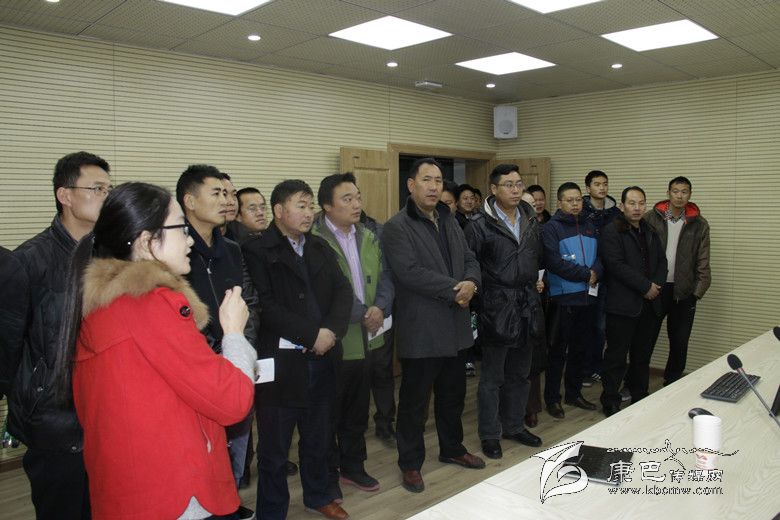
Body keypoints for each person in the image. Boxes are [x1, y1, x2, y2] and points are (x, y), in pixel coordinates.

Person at [58, 182, 257, 519]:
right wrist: (234, 333)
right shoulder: (151, 305)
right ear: (146, 242)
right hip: (173, 491)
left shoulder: (105, 302)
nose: (190, 240)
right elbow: (231, 400)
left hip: (129, 489)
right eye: (181, 228)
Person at [6, 151, 111, 520]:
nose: (106, 197)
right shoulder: (28, 261)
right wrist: (30, 403)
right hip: (55, 421)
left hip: (106, 412)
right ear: (64, 195)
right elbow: (8, 350)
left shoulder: (112, 257)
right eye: (96, 189)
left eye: (109, 189)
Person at [242, 180, 352, 520]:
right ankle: (272, 511)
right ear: (278, 210)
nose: (308, 213)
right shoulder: (256, 250)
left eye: (309, 206)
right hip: (280, 364)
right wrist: (311, 335)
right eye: (300, 206)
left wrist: (330, 332)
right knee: (274, 447)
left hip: (322, 357)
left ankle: (318, 495)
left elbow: (343, 292)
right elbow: (265, 306)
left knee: (318, 437)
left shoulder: (319, 246)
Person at [383, 157, 485, 494]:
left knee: (453, 396)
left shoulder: (449, 219)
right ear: (411, 185)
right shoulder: (397, 226)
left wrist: (471, 282)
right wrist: (457, 289)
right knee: (414, 402)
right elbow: (409, 272)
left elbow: (469, 258)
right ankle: (410, 463)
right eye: (426, 180)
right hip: (422, 329)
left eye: (438, 180)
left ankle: (452, 448)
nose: (433, 186)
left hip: (455, 326)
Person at [176, 165, 259, 520]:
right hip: (197, 371)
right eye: (217, 193)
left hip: (234, 361)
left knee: (235, 454)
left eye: (228, 194)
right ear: (190, 201)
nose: (227, 200)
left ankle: (229, 502)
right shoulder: (175, 249)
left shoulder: (232, 250)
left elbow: (248, 303)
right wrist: (212, 355)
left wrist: (241, 348)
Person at [312, 173, 394, 500]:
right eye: (347, 199)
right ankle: (328, 472)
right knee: (329, 413)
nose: (356, 204)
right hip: (337, 341)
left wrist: (380, 307)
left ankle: (353, 465)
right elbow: (328, 291)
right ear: (327, 206)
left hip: (369, 337)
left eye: (357, 197)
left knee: (358, 410)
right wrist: (363, 313)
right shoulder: (314, 241)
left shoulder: (370, 235)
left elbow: (387, 276)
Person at [464, 164, 544, 460]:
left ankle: (514, 426)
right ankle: (489, 434)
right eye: (508, 185)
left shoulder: (530, 218)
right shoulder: (478, 225)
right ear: (494, 189)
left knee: (520, 374)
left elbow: (536, 257)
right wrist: (482, 301)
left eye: (518, 184)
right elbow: (470, 266)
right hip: (496, 307)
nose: (515, 189)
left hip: (527, 304)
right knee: (493, 377)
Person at [599, 187, 667, 417]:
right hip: (622, 306)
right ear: (622, 206)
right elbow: (616, 266)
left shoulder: (650, 229)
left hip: (649, 305)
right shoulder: (612, 231)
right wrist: (645, 287)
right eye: (632, 203)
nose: (637, 208)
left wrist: (656, 285)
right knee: (616, 357)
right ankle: (610, 399)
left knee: (642, 356)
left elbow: (662, 262)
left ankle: (640, 395)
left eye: (641, 203)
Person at [542, 182, 603, 419]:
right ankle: (552, 398)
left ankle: (573, 393)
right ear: (559, 203)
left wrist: (596, 271)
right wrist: (586, 275)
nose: (575, 204)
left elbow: (600, 257)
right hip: (563, 298)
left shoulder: (589, 225)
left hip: (587, 298)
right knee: (557, 351)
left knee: (580, 349)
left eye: (578, 199)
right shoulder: (551, 228)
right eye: (570, 200)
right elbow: (554, 262)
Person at [643, 176, 711, 386]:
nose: (679, 196)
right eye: (675, 191)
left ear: (690, 194)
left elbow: (703, 260)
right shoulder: (650, 218)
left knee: (680, 343)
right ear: (668, 193)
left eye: (684, 191)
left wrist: (696, 293)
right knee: (645, 340)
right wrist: (644, 285)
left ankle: (672, 383)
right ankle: (635, 385)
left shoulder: (699, 224)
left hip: (684, 291)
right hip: (655, 289)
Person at [581, 170, 620, 388]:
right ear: (588, 188)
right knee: (584, 325)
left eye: (605, 184)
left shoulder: (615, 213)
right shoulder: (580, 210)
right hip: (585, 275)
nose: (602, 188)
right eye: (597, 184)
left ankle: (596, 367)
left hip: (608, 277)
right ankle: (583, 369)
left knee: (601, 326)